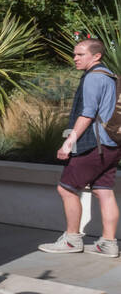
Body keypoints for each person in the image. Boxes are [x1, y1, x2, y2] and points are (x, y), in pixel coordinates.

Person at [37, 38, 120, 257]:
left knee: (66, 188)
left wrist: (69, 142)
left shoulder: (93, 78)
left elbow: (87, 113)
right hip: (112, 145)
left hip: (94, 145)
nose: (75, 58)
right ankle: (108, 243)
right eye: (74, 54)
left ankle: (72, 239)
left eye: (80, 54)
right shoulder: (109, 76)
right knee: (104, 191)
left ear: (96, 56)